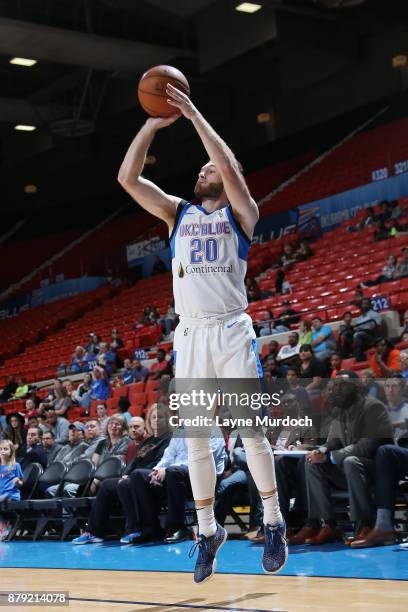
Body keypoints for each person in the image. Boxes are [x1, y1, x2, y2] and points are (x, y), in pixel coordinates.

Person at [117, 84, 287, 582]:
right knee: (194, 441)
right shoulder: (177, 213)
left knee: (251, 433)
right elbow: (127, 178)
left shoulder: (242, 214)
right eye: (200, 169)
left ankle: (274, 522)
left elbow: (229, 168)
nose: (202, 170)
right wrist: (152, 123)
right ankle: (208, 531)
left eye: (207, 168)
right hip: (190, 336)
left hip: (232, 332)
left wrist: (192, 115)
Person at [289, 372, 393, 546]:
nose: (335, 390)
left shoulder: (373, 407)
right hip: (346, 468)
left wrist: (329, 456)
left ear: (356, 387)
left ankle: (363, 527)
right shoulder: (339, 411)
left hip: (375, 470)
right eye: (334, 386)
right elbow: (333, 441)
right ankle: (328, 524)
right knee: (311, 462)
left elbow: (365, 447)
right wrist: (320, 451)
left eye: (341, 386)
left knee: (350, 461)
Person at [72, 404, 172, 545]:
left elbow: (160, 462)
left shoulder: (169, 439)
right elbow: (134, 462)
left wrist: (130, 476)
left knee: (126, 483)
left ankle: (135, 530)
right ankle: (94, 532)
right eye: (153, 417)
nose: (156, 420)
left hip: (151, 478)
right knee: (107, 485)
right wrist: (125, 474)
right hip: (134, 477)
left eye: (160, 417)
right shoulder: (149, 441)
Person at [0, 440, 23, 540]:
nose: (2, 451)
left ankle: (4, 527)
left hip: (11, 495)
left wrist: (17, 481)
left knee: (3, 499)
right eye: (0, 449)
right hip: (1, 495)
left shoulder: (15, 465)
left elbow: (21, 483)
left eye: (5, 449)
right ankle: (3, 525)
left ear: (11, 451)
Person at [352, 298, 382, 362]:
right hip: (361, 335)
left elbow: (378, 326)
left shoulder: (374, 314)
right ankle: (348, 356)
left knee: (359, 335)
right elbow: (356, 328)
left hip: (372, 335)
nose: (364, 305)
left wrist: (364, 328)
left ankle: (358, 357)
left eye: (366, 304)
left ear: (370, 305)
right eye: (363, 304)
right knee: (348, 335)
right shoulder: (359, 318)